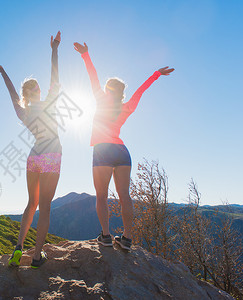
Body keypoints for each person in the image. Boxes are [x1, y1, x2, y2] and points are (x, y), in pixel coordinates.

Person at [74, 41, 174, 250]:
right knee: (124, 196)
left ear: (108, 89)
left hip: (102, 150)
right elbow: (141, 91)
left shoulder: (100, 99)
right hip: (122, 151)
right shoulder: (127, 107)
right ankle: (127, 238)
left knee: (101, 195)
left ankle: (106, 236)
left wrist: (86, 55)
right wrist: (156, 74)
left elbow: (93, 77)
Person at [0, 31, 62, 268]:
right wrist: (54, 49)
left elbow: (12, 94)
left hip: (34, 156)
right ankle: (38, 256)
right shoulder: (49, 102)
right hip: (52, 155)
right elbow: (55, 78)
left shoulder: (24, 112)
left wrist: (4, 73)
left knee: (31, 203)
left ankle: (19, 247)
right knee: (46, 206)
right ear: (38, 91)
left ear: (25, 95)